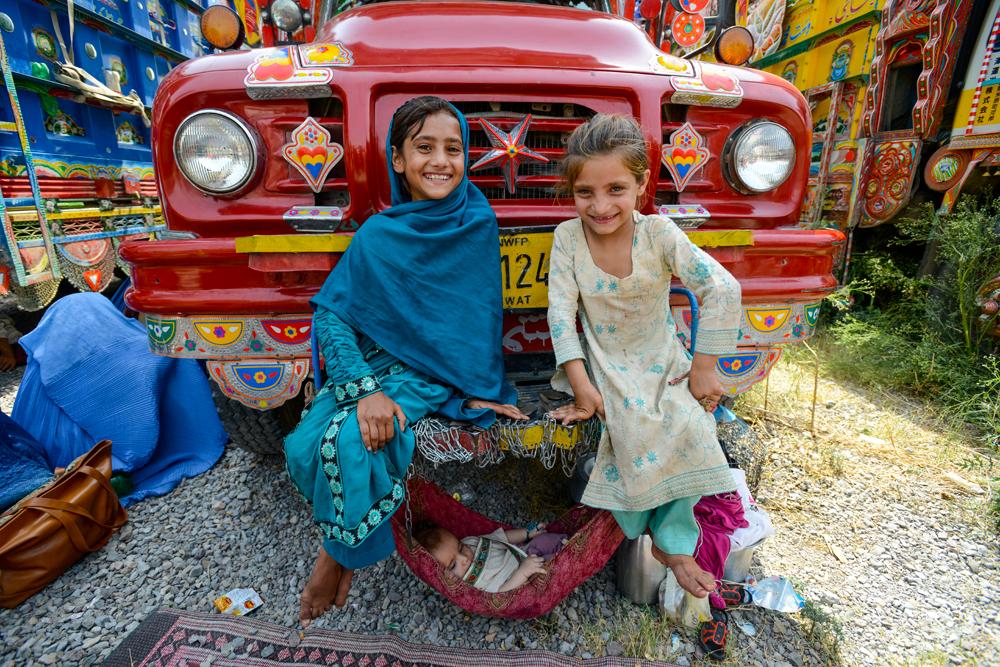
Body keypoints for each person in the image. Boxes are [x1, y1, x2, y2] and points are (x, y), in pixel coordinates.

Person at [285, 96, 528, 628]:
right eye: (424, 148)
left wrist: (472, 387)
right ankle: (342, 552)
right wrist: (363, 388)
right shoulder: (379, 234)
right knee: (308, 441)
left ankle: (333, 560)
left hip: (429, 376)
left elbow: (472, 324)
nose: (440, 161)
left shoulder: (476, 221)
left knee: (356, 441)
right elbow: (332, 316)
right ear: (397, 160)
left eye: (453, 149)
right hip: (372, 367)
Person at [546, 114, 741, 600]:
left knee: (691, 423)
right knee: (631, 423)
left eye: (615, 188)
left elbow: (720, 286)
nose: (600, 205)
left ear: (641, 185)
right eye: (584, 193)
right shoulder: (567, 238)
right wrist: (581, 383)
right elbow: (559, 314)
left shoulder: (659, 234)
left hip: (661, 355)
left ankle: (673, 542)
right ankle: (669, 546)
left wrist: (704, 366)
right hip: (603, 363)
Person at [414, 522, 566, 593]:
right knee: (550, 564)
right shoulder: (470, 584)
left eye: (460, 547)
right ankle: (570, 555)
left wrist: (527, 533)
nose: (464, 558)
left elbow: (500, 537)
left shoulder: (469, 542)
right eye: (453, 565)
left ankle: (567, 542)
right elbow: (501, 593)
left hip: (521, 551)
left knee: (543, 540)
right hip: (522, 579)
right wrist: (523, 572)